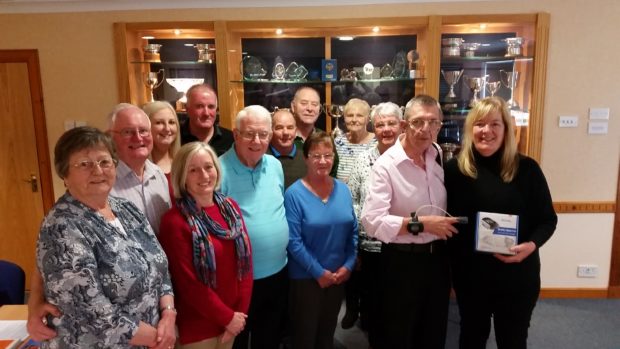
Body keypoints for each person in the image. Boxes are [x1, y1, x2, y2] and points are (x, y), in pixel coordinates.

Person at [27, 103, 174, 342]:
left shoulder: (124, 208)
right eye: (84, 164)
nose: (97, 171)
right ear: (65, 175)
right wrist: (157, 338)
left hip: (152, 336)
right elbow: (91, 312)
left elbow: (160, 264)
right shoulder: (62, 226)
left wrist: (168, 313)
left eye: (104, 162)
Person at [444, 97, 557, 349]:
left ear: (506, 129)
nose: (487, 131)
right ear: (470, 129)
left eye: (495, 124)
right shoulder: (453, 171)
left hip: (517, 276)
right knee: (471, 338)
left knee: (513, 341)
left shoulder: (528, 170)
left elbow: (548, 219)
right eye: (480, 124)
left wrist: (531, 245)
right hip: (471, 278)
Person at [361, 94, 460, 349]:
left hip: (436, 261)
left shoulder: (436, 154)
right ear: (404, 125)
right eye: (418, 122)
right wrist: (421, 224)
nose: (425, 129)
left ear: (440, 125)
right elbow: (372, 221)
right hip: (401, 262)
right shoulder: (386, 166)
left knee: (433, 331)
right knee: (398, 334)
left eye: (433, 122)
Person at [159, 142, 253, 349]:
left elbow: (245, 266)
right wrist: (227, 318)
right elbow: (189, 284)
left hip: (233, 322)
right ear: (182, 177)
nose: (204, 175)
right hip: (198, 327)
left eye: (208, 167)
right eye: (193, 170)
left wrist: (238, 317)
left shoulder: (231, 208)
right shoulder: (174, 222)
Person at [219, 105, 289, 349]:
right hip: (239, 280)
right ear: (236, 135)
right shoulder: (217, 170)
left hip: (278, 272)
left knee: (268, 337)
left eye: (263, 134)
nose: (257, 140)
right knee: (237, 341)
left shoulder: (275, 165)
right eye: (249, 134)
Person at [285, 131, 358, 349]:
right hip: (306, 279)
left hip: (338, 277)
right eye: (316, 156)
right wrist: (318, 272)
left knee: (327, 335)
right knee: (304, 338)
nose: (323, 161)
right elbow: (293, 241)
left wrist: (349, 265)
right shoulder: (294, 194)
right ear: (306, 158)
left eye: (328, 155)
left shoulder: (343, 190)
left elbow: (352, 232)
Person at [346, 102, 404, 346]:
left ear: (401, 125)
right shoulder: (363, 160)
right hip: (371, 249)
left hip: (402, 247)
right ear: (374, 127)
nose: (386, 129)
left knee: (400, 307)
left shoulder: (411, 157)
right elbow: (354, 203)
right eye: (380, 124)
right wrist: (356, 246)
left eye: (391, 123)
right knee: (373, 308)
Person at [108, 103, 172, 235]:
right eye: (127, 132)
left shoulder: (158, 174)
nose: (137, 138)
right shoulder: (106, 184)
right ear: (111, 137)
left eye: (143, 131)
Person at [181, 84, 234, 156]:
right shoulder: (176, 138)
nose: (206, 113)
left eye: (211, 107)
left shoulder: (231, 139)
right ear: (187, 109)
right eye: (199, 106)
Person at [334, 98, 376, 183]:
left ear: (368, 119)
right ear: (344, 118)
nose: (354, 120)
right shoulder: (338, 142)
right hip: (342, 193)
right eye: (350, 115)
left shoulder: (376, 142)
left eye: (359, 115)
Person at [267, 108, 307, 188]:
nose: (285, 132)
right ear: (270, 131)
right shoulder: (261, 159)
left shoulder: (307, 160)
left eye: (290, 128)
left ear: (295, 131)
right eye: (279, 128)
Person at [143, 101, 181, 175]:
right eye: (159, 122)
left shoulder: (185, 164)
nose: (167, 128)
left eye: (171, 122)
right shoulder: (139, 167)